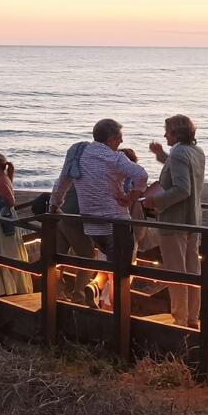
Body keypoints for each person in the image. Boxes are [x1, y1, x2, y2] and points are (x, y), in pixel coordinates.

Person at [72, 119, 149, 305]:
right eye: (119, 138)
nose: (121, 142)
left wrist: (53, 206)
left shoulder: (80, 155)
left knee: (108, 267)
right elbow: (142, 175)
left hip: (92, 227)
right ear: (112, 138)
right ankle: (117, 319)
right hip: (117, 224)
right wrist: (131, 196)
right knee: (121, 275)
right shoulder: (115, 158)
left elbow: (62, 183)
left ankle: (96, 290)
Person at [144, 114, 207, 329]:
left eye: (167, 131)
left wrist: (154, 201)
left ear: (176, 133)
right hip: (193, 220)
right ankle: (192, 318)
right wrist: (161, 154)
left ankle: (180, 319)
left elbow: (182, 188)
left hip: (175, 221)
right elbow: (179, 167)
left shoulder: (179, 153)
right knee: (192, 270)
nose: (164, 134)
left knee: (176, 271)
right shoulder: (196, 151)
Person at [50, 138, 96, 302]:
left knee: (58, 257)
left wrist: (52, 211)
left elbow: (56, 194)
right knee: (88, 257)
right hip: (74, 220)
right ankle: (78, 293)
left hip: (60, 218)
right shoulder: (87, 176)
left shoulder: (68, 173)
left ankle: (57, 291)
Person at [0, 152, 32, 295]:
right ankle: (5, 287)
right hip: (1, 219)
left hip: (4, 220)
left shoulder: (1, 181)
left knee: (6, 251)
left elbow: (11, 201)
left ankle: (10, 288)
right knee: (3, 250)